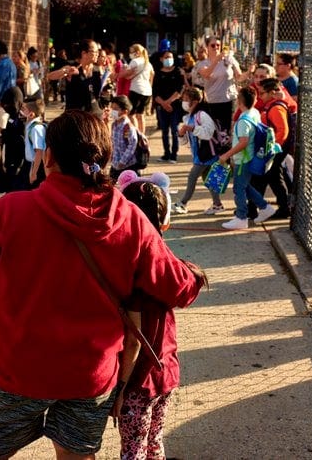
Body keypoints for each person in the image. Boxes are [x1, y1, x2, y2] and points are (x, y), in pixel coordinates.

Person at [0, 110, 206, 460]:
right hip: (89, 376)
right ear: (104, 158)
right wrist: (193, 273)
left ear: (50, 157)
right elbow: (178, 286)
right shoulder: (128, 219)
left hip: (16, 369)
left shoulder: (10, 211)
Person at [113, 171, 195, 460]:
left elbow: (134, 342)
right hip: (166, 371)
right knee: (154, 443)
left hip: (139, 381)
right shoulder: (168, 266)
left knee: (132, 448)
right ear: (165, 223)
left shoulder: (134, 272)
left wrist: (120, 389)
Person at [217, 87, 277, 230]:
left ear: (239, 101)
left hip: (242, 160)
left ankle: (241, 217)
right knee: (245, 186)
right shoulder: (255, 113)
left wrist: (227, 155)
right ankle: (265, 207)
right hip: (250, 157)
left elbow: (243, 142)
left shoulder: (243, 121)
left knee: (239, 189)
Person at [173, 87, 225, 215]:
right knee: (208, 179)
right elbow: (185, 141)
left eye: (186, 100)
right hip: (199, 154)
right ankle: (217, 204)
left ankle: (183, 203)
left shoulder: (202, 115)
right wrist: (181, 134)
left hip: (207, 154)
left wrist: (192, 128)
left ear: (195, 102)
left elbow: (208, 133)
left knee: (192, 177)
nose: (183, 102)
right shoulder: (188, 117)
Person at [251, 78, 291, 219]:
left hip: (275, 148)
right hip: (274, 147)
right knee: (271, 177)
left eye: (262, 94)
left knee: (269, 176)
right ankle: (257, 207)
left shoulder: (276, 108)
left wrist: (274, 148)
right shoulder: (271, 105)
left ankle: (282, 207)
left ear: (272, 93)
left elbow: (283, 130)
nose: (260, 96)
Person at [197, 36, 244, 135]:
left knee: (228, 131)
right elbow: (206, 74)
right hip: (213, 101)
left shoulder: (228, 59)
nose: (216, 47)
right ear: (207, 47)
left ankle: (228, 149)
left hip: (229, 99)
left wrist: (249, 72)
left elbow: (239, 77)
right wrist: (216, 60)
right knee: (215, 131)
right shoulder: (203, 63)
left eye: (218, 45)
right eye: (213, 45)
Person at [48, 39, 103, 116]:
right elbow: (50, 76)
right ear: (84, 53)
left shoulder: (97, 70)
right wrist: (65, 71)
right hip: (75, 116)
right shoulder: (73, 67)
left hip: (94, 115)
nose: (98, 54)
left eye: (98, 52)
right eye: (95, 52)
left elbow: (97, 95)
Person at [152, 50, 185, 163]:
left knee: (174, 130)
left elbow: (179, 90)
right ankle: (166, 154)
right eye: (166, 57)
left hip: (174, 106)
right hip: (162, 107)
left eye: (170, 57)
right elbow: (155, 92)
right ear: (161, 59)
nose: (168, 59)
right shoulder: (158, 73)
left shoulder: (177, 72)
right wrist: (163, 103)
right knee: (164, 131)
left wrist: (169, 102)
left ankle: (174, 155)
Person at [121, 43, 154, 133]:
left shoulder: (135, 61)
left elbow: (124, 74)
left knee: (132, 115)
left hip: (136, 89)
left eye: (132, 52)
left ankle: (136, 135)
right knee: (141, 115)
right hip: (147, 91)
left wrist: (124, 68)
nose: (130, 54)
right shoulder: (148, 63)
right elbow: (152, 76)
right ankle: (142, 136)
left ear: (138, 52)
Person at [109, 95, 139, 181]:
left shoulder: (128, 127)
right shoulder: (114, 125)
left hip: (127, 166)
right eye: (112, 108)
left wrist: (122, 162)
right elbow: (112, 141)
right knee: (110, 188)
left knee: (129, 189)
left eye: (116, 109)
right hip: (115, 164)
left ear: (125, 111)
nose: (112, 111)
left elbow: (132, 146)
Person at [20, 98, 47, 189]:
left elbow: (39, 152)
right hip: (31, 164)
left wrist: (34, 173)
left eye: (24, 109)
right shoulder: (30, 126)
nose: (21, 111)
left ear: (31, 114)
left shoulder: (36, 129)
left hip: (37, 166)